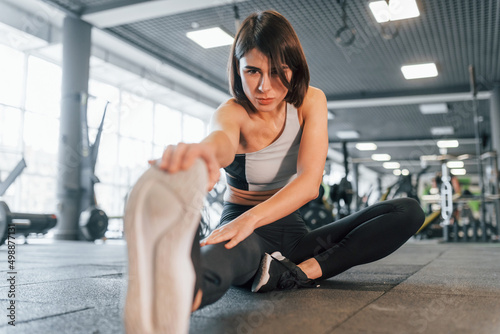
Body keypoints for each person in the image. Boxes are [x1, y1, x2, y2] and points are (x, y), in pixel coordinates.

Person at [123, 10, 425, 334]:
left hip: (292, 234)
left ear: (294, 69)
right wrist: (201, 156)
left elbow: (310, 183)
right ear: (238, 70)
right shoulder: (231, 113)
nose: (264, 86)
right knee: (224, 258)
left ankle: (298, 273)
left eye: (278, 71)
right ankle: (176, 295)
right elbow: (220, 142)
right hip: (243, 227)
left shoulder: (312, 101)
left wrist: (253, 220)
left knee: (407, 211)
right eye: (252, 71)